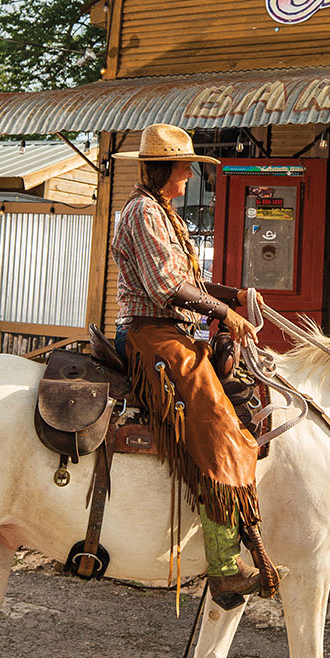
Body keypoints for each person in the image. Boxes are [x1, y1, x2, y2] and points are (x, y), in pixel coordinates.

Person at [111, 123, 279, 609]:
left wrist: (236, 295)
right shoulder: (143, 212)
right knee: (214, 417)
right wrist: (224, 313)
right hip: (149, 333)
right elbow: (167, 288)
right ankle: (225, 566)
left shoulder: (167, 214)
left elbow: (193, 281)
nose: (190, 175)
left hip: (172, 331)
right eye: (185, 166)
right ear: (165, 167)